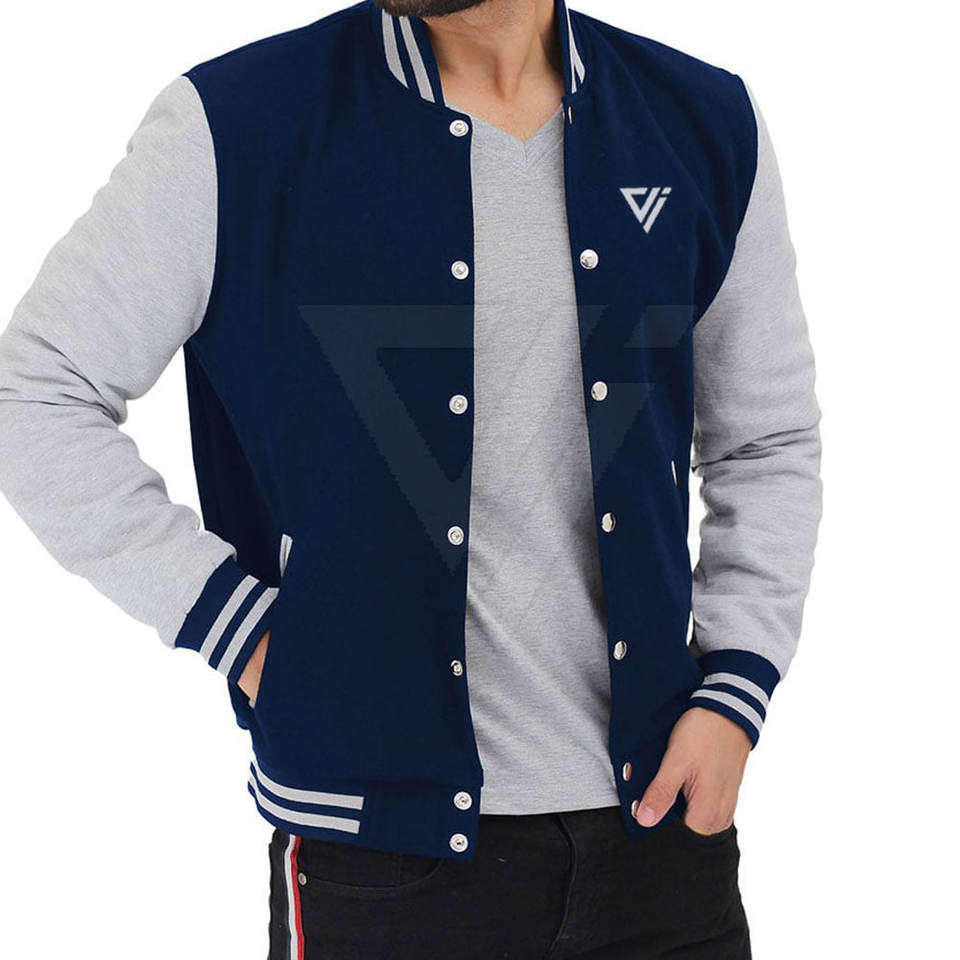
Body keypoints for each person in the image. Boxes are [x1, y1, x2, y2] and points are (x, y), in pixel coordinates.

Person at [0, 1, 822, 956]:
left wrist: (733, 691)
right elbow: (35, 393)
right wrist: (245, 631)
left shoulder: (700, 123)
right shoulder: (236, 123)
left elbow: (765, 440)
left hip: (663, 842)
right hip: (379, 859)